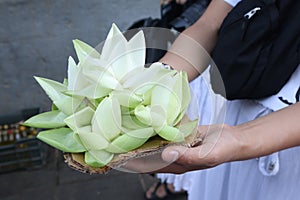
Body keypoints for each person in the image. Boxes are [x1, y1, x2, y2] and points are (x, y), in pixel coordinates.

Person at [135, 0, 300, 199]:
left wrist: (241, 138)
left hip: (287, 141)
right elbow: (209, 24)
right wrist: (158, 79)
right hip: (234, 113)